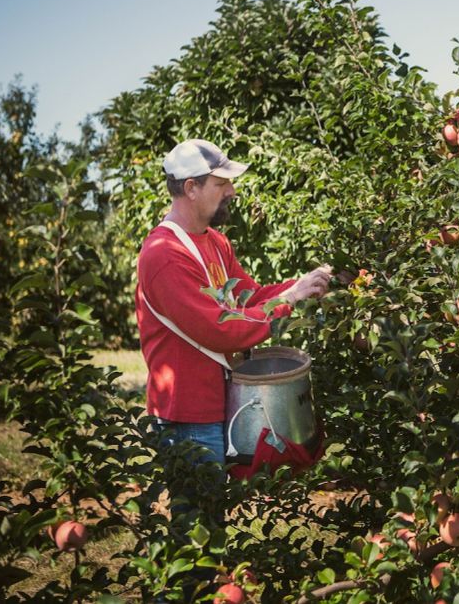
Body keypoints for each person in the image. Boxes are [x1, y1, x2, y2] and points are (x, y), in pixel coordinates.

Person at [135, 139, 332, 520]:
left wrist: (305, 285)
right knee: (199, 528)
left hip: (221, 402)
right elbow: (219, 330)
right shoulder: (164, 254)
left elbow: (248, 298)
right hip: (187, 415)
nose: (232, 191)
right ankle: (193, 583)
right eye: (221, 183)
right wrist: (290, 298)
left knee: (212, 522)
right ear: (191, 188)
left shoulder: (215, 243)